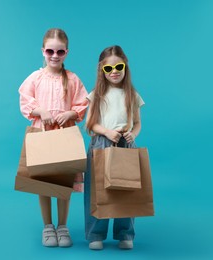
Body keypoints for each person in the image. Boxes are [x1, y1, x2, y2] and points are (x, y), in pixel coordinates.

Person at [18, 28, 88, 247]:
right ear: (43, 51)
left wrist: (72, 113)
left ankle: (63, 226)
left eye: (60, 52)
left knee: (63, 182)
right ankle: (48, 226)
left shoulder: (73, 79)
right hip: (42, 134)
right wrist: (41, 111)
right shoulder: (36, 77)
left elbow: (83, 102)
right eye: (50, 51)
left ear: (66, 52)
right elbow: (25, 98)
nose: (54, 56)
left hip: (65, 135)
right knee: (43, 181)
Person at [84, 45, 145, 250]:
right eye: (108, 68)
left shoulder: (132, 94)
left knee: (127, 189)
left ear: (125, 66)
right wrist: (107, 132)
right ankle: (95, 234)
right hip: (102, 142)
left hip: (125, 143)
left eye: (118, 66)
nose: (114, 72)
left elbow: (137, 123)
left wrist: (132, 134)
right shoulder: (97, 94)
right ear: (102, 70)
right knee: (98, 190)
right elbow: (89, 124)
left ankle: (125, 233)